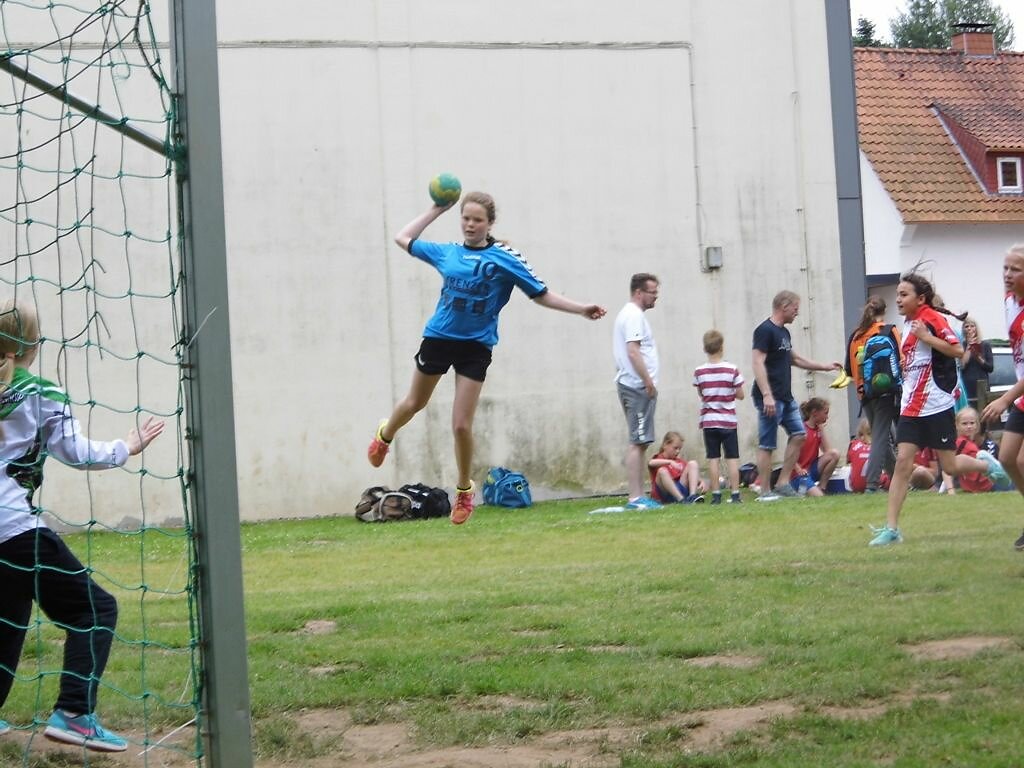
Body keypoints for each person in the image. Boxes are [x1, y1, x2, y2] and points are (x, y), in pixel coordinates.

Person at [368, 191, 606, 525]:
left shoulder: (505, 258)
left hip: (476, 347)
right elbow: (402, 237)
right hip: (438, 338)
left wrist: (582, 309)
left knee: (461, 424)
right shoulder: (447, 253)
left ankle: (464, 491)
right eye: (465, 218)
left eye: (477, 220)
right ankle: (384, 436)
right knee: (413, 404)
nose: (470, 225)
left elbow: (542, 294)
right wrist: (437, 208)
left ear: (489, 223)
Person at [0, 300, 164, 752]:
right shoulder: (40, 393)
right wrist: (126, 447)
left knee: (8, 621)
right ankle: (74, 713)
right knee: (95, 611)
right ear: (32, 345)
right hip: (16, 528)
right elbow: (76, 452)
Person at [869, 273, 1007, 546]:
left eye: (904, 294)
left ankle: (984, 464)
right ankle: (892, 529)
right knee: (902, 466)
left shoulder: (931, 319)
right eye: (897, 294)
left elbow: (957, 351)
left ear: (920, 299)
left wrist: (926, 338)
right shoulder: (907, 325)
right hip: (911, 407)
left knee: (950, 465)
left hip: (936, 405)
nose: (898, 299)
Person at [751, 290, 842, 502]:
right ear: (784, 306)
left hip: (785, 396)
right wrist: (766, 395)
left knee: (799, 434)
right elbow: (757, 362)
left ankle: (782, 483)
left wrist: (824, 366)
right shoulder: (764, 330)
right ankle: (764, 492)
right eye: (795, 308)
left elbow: (795, 360)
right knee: (767, 443)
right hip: (769, 397)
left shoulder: (784, 333)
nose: (797, 313)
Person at [982, 243, 1024, 549]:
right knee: (1007, 457)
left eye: (1015, 269)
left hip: (1019, 393)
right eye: (1005, 268)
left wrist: (1004, 399)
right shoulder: (1009, 299)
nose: (1007, 275)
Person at [614, 273, 662, 510]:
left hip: (635, 384)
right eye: (652, 292)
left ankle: (638, 494)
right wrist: (648, 380)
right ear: (639, 292)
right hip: (636, 386)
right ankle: (635, 497)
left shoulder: (632, 315)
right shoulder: (633, 316)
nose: (656, 296)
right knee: (638, 441)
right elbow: (633, 351)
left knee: (641, 441)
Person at [844, 296, 900, 493]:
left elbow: (849, 370)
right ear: (884, 311)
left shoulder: (855, 335)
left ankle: (897, 479)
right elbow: (901, 361)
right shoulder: (888, 330)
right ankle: (872, 484)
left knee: (880, 436)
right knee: (880, 437)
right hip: (886, 392)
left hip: (864, 394)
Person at [692, 329, 745, 504]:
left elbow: (702, 394)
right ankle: (735, 493)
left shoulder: (699, 371)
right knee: (732, 458)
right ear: (722, 347)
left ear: (704, 348)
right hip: (728, 421)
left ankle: (716, 494)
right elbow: (740, 394)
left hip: (709, 421)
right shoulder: (732, 369)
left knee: (713, 458)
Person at [790, 398, 840, 497]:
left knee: (835, 454)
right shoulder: (801, 430)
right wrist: (798, 469)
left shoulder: (817, 430)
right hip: (799, 475)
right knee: (818, 497)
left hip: (811, 470)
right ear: (814, 413)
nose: (827, 416)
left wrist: (821, 430)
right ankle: (801, 491)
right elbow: (790, 455)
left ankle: (822, 487)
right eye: (825, 413)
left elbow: (828, 452)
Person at [648, 431, 706, 504]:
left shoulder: (678, 461)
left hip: (680, 489)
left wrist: (701, 481)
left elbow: (690, 473)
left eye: (679, 449)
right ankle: (681, 500)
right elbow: (650, 463)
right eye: (675, 448)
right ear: (665, 445)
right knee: (662, 471)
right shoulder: (658, 458)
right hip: (665, 494)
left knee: (692, 463)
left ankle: (692, 496)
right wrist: (669, 462)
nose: (678, 451)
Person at [953, 407, 998, 494]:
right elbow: (949, 467)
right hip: (983, 486)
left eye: (972, 423)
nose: (969, 426)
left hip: (985, 484)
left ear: (977, 426)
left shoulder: (971, 443)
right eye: (964, 424)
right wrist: (950, 489)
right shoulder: (960, 443)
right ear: (957, 425)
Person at [958, 316, 993, 409]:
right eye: (966, 326)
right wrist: (969, 347)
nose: (969, 328)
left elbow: (990, 368)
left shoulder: (985, 345)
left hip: (982, 385)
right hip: (967, 386)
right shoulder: (961, 345)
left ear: (976, 328)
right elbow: (961, 366)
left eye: (972, 326)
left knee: (983, 415)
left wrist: (979, 359)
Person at [848, 418, 890, 493]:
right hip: (875, 483)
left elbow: (850, 462)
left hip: (856, 487)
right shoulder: (878, 448)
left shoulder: (853, 445)